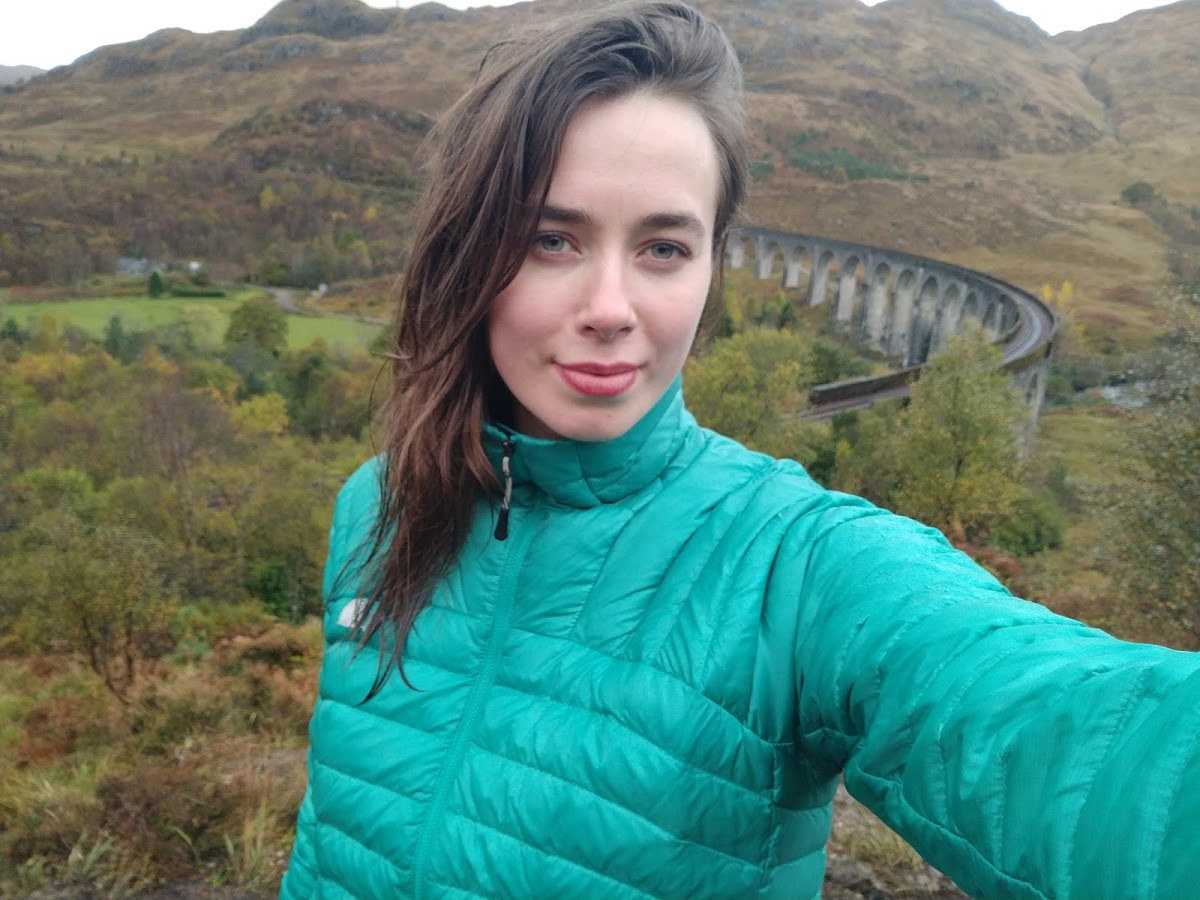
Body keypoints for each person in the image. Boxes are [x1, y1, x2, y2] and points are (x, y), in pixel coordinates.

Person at [280, 3, 1200, 898]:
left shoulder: (791, 567)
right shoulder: (377, 506)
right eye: (551, 240)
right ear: (465, 251)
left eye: (663, 249)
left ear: (712, 263)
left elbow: (1060, 725)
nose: (611, 308)